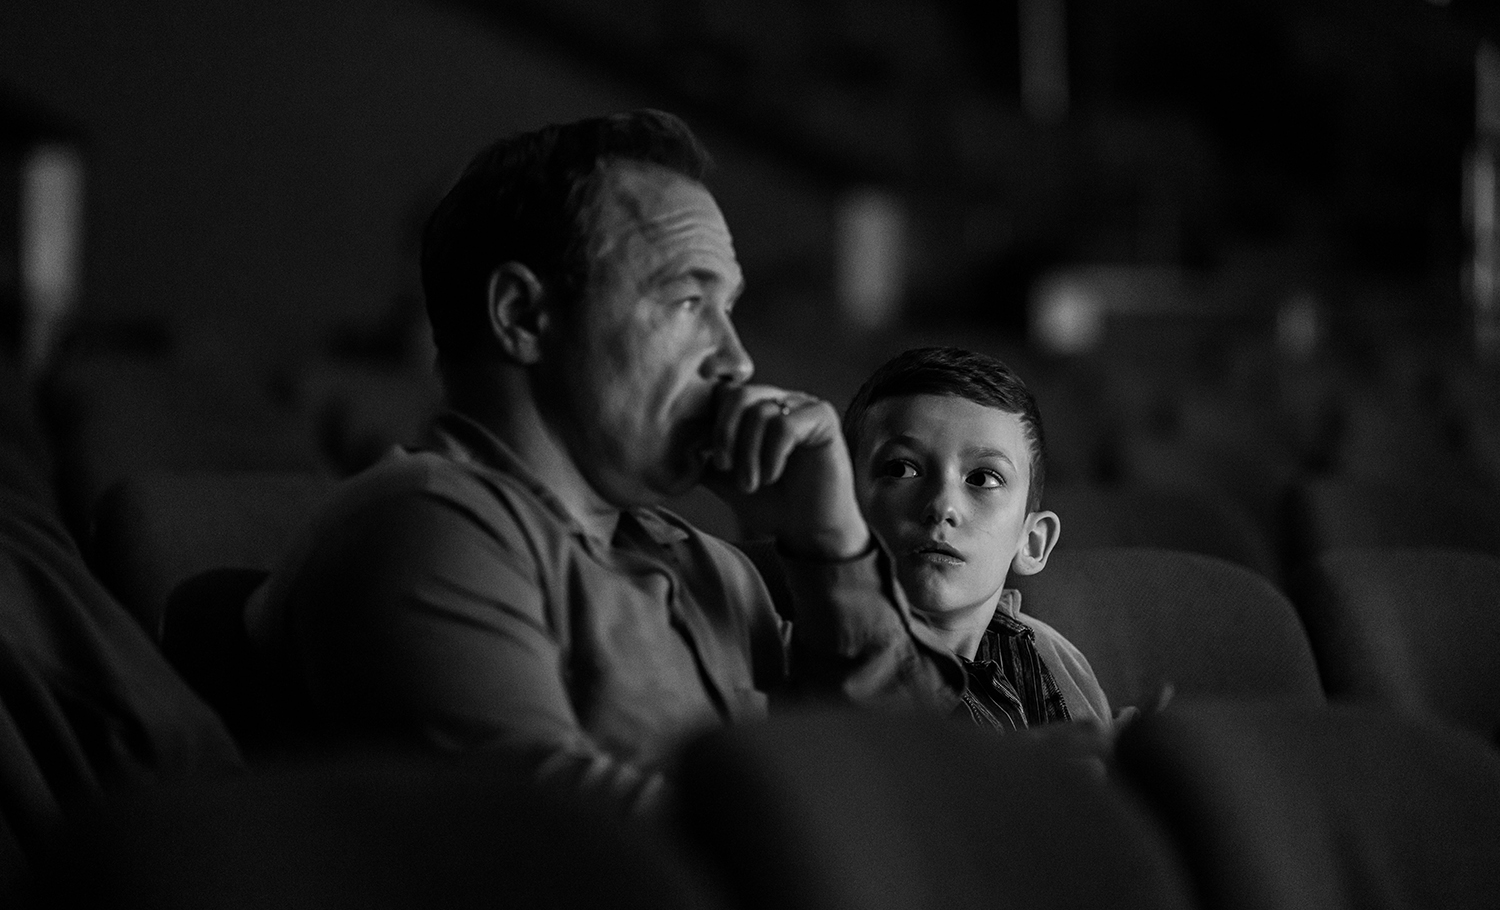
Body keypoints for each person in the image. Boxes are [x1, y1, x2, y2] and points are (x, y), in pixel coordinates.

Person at [245, 110, 964, 816]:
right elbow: (583, 848)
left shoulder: (710, 567)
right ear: (523, 316)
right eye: (687, 300)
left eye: (729, 307)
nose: (737, 359)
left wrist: (832, 549)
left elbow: (922, 778)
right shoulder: (419, 532)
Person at [842, 346, 1112, 731]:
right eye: (902, 469)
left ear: (1032, 541)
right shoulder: (815, 662)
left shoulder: (1056, 660)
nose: (942, 506)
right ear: (845, 505)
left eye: (984, 478)